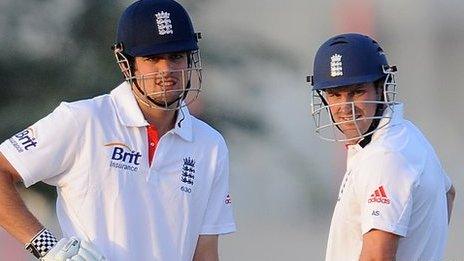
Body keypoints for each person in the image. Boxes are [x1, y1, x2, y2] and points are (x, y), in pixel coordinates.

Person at [0, 0, 236, 260]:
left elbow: (204, 253)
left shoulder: (210, 145)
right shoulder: (84, 120)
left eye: (176, 56)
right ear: (126, 62)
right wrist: (49, 249)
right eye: (152, 58)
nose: (166, 70)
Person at [307, 33, 455, 261]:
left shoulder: (384, 157)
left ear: (382, 89)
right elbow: (448, 193)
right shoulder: (406, 135)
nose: (345, 107)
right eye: (335, 94)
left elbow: (377, 258)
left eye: (357, 92)